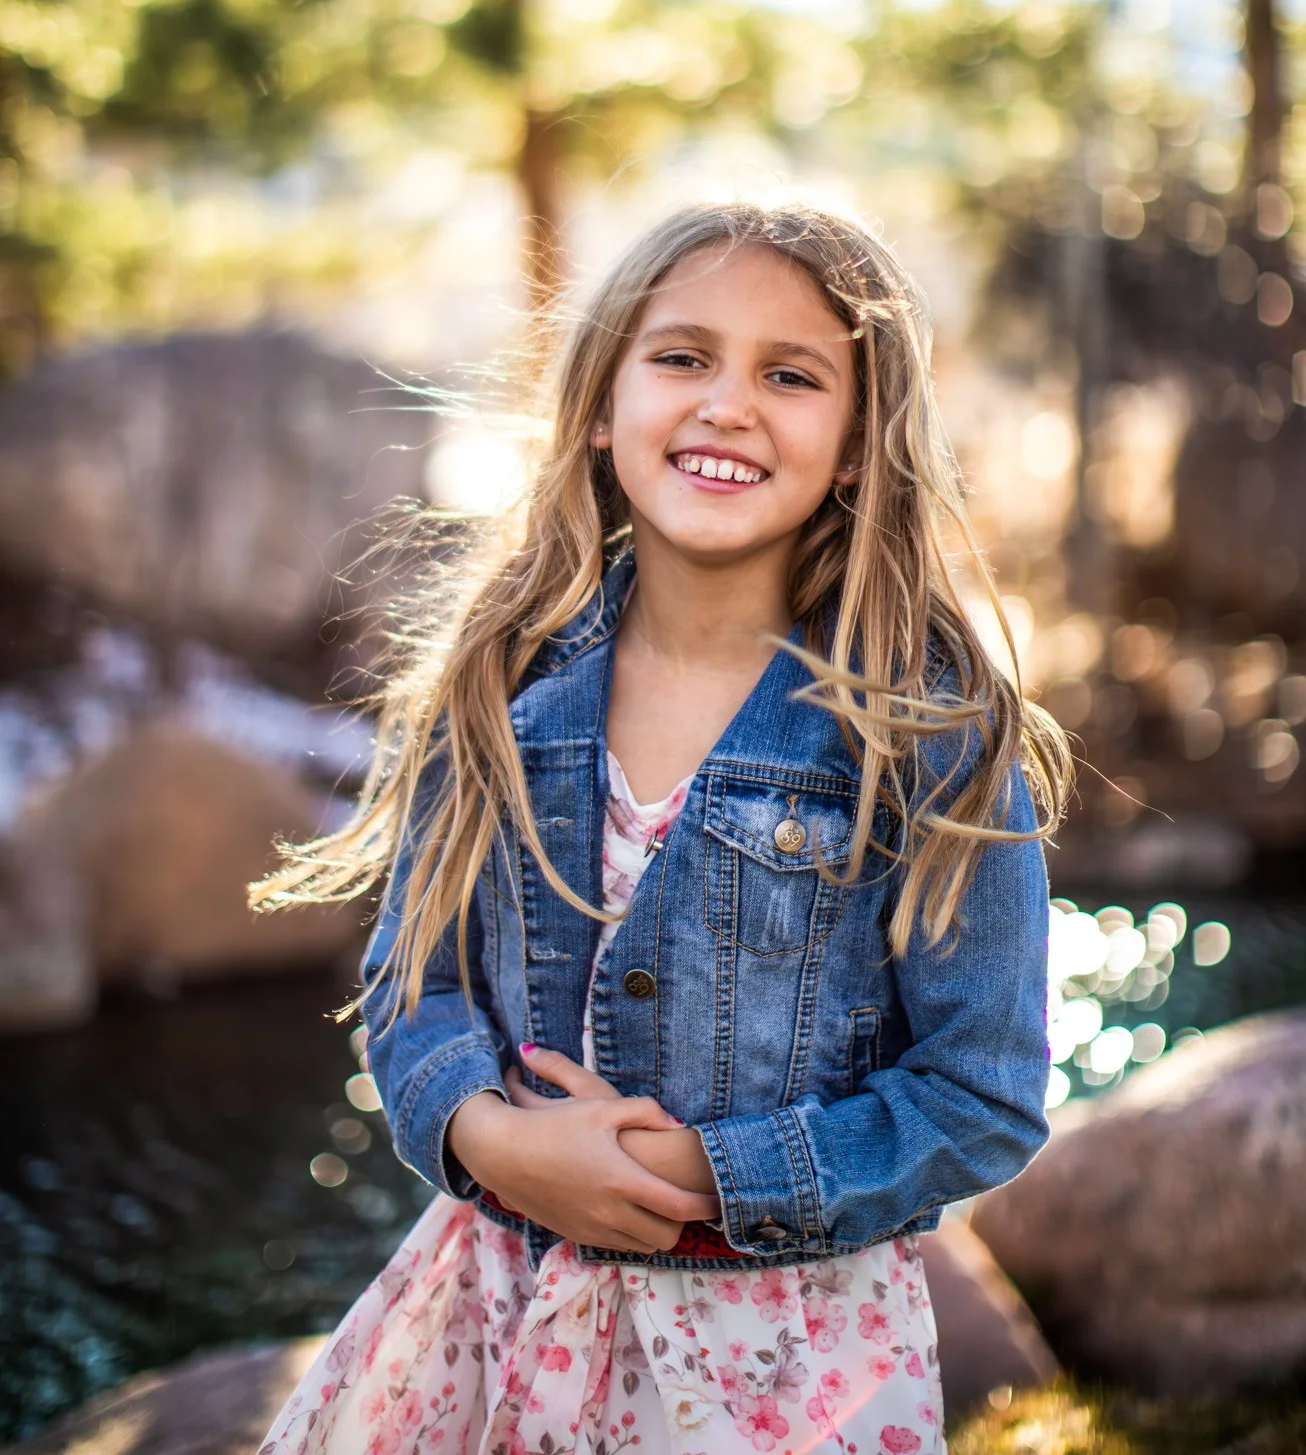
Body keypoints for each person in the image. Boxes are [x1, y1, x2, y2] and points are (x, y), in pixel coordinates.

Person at [256, 201, 1070, 1455]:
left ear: (858, 442)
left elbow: (983, 1094)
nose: (727, 403)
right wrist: (486, 1135)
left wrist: (711, 1176)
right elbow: (412, 985)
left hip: (782, 1368)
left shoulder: (929, 732)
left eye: (789, 374)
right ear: (601, 401)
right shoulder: (497, 682)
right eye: (682, 356)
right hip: (494, 1313)